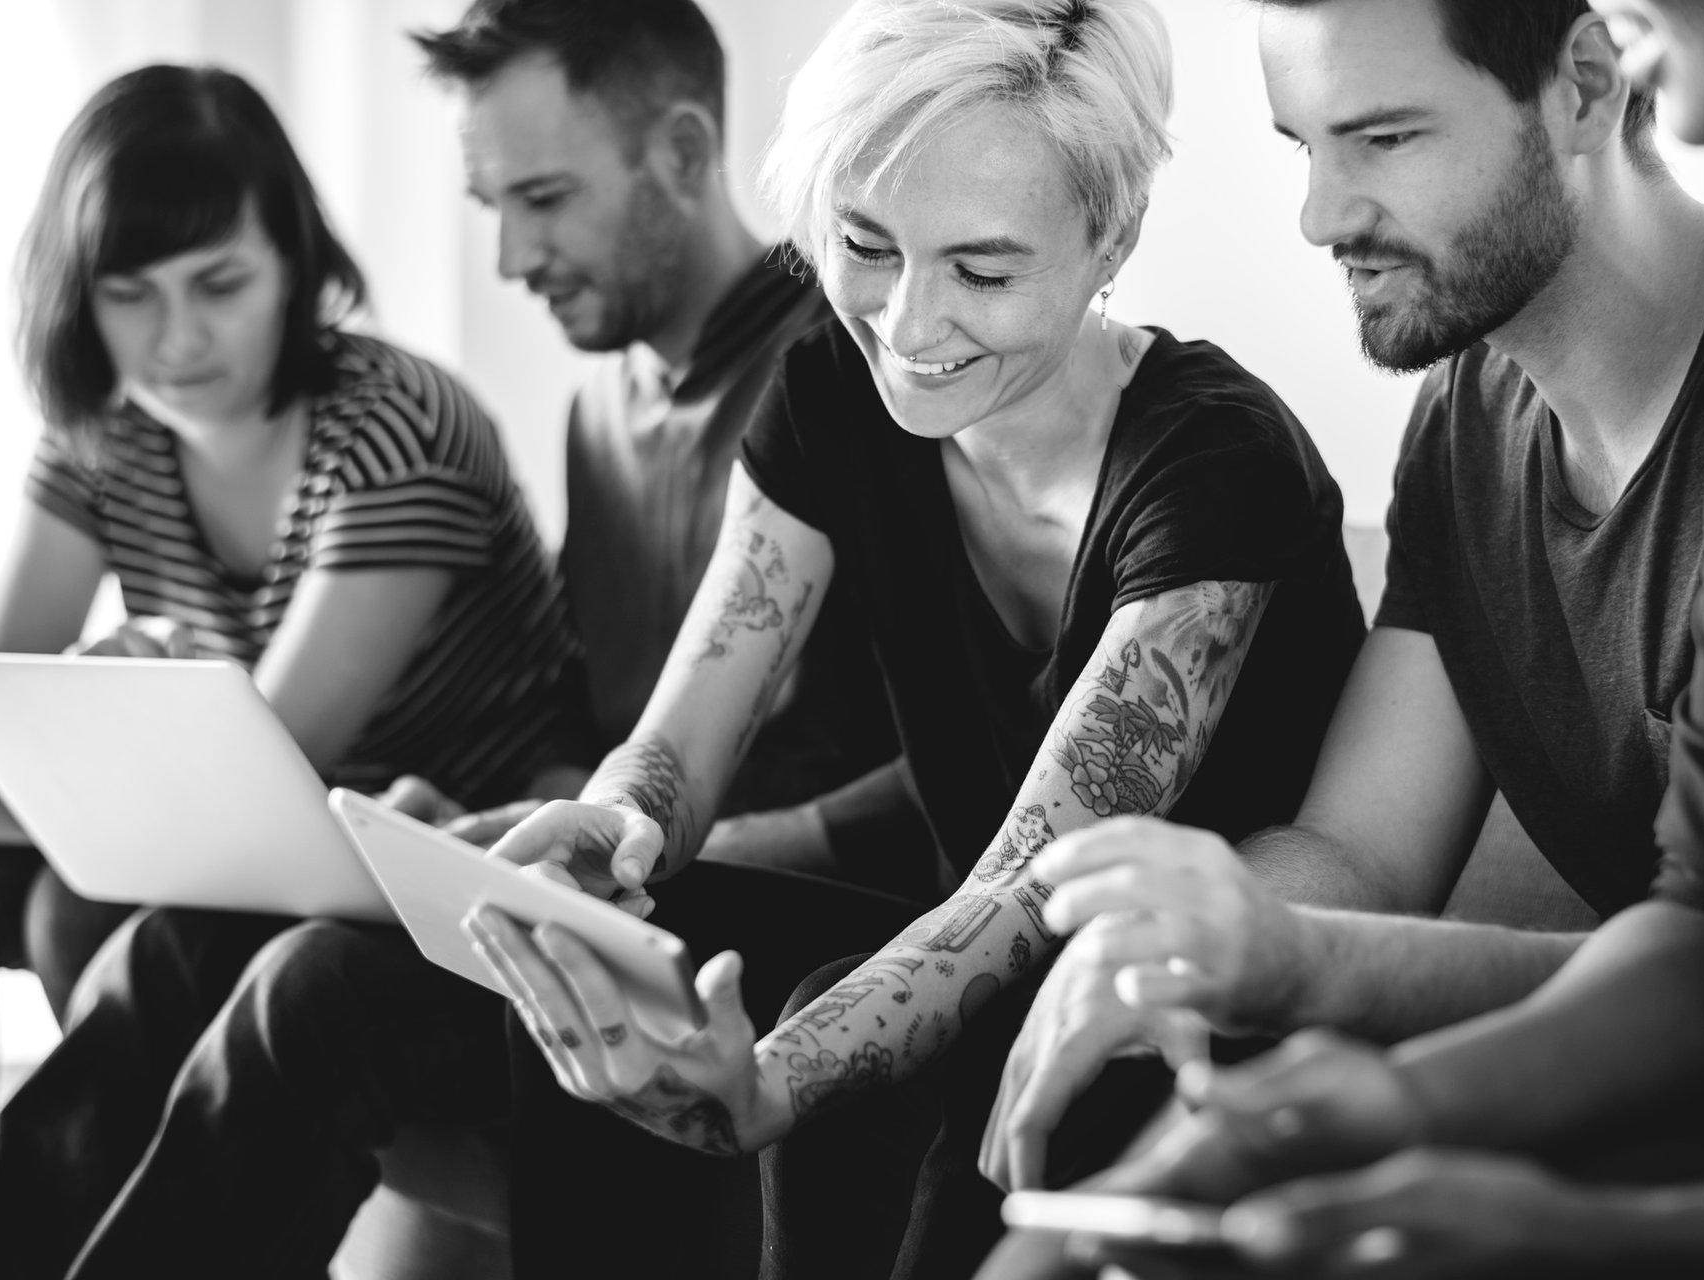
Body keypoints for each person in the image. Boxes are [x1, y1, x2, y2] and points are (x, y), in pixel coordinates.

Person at [0, 4, 911, 1277]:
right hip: (589, 859)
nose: (508, 257)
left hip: (725, 908)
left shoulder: (845, 383)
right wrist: (499, 819)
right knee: (164, 937)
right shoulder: (599, 407)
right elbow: (602, 727)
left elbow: (926, 769)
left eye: (543, 198)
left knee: (306, 982)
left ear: (679, 153)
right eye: (493, 202)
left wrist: (574, 836)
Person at [468, 0, 1365, 1275]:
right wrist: (617, 833)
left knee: (860, 1040)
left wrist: (770, 1079)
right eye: (866, 245)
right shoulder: (830, 388)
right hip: (977, 929)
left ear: (1113, 234)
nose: (906, 322)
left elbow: (1025, 890)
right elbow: (681, 734)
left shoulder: (1217, 467)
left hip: (1176, 989)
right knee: (602, 944)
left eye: (982, 271)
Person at [983, 2, 1704, 1276]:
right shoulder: (1474, 420)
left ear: (1586, 92)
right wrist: (1195, 960)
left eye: (1384, 137)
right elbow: (1364, 851)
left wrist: (1310, 976)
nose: (1322, 217)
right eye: (1304, 148)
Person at [0, 63, 573, 1238]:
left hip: (416, 853)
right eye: (130, 294)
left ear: (293, 265)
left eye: (218, 283)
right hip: (228, 848)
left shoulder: (396, 429)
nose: (176, 340)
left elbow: (259, 798)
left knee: (121, 927)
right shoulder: (103, 435)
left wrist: (120, 710)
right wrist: (83, 712)